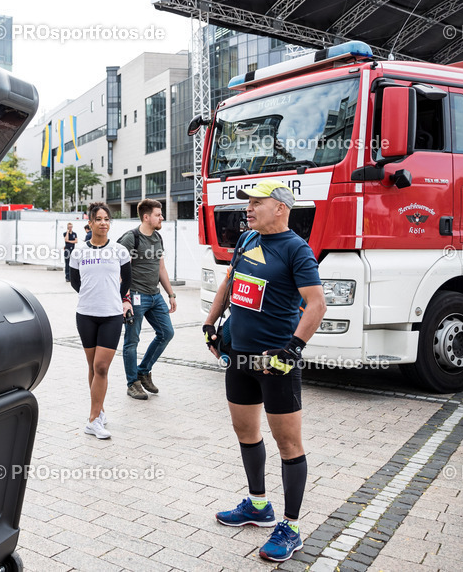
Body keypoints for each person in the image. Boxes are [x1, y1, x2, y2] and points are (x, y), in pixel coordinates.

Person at [202, 180, 325, 563]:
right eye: (249, 203)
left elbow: (317, 303)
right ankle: (258, 506)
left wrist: (294, 349)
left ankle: (290, 526)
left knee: (288, 444)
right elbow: (230, 283)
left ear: (281, 208)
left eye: (257, 203)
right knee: (245, 431)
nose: (249, 209)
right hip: (239, 357)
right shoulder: (245, 241)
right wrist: (210, 323)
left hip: (276, 363)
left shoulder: (297, 250)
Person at [68, 203, 131, 440]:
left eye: (107, 219)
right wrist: (91, 296)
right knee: (92, 366)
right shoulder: (79, 252)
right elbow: (75, 282)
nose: (103, 223)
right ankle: (100, 410)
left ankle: (92, 420)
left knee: (102, 367)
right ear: (90, 223)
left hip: (112, 315)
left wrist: (115, 297)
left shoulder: (119, 250)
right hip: (85, 314)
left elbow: (126, 282)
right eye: (99, 219)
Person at [117, 199, 176, 400]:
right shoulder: (130, 238)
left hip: (155, 295)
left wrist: (171, 294)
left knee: (166, 333)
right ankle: (132, 383)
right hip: (135, 296)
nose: (162, 217)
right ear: (146, 217)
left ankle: (143, 371)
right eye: (158, 214)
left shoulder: (157, 237)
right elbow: (118, 271)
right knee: (132, 340)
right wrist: (124, 299)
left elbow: (161, 268)